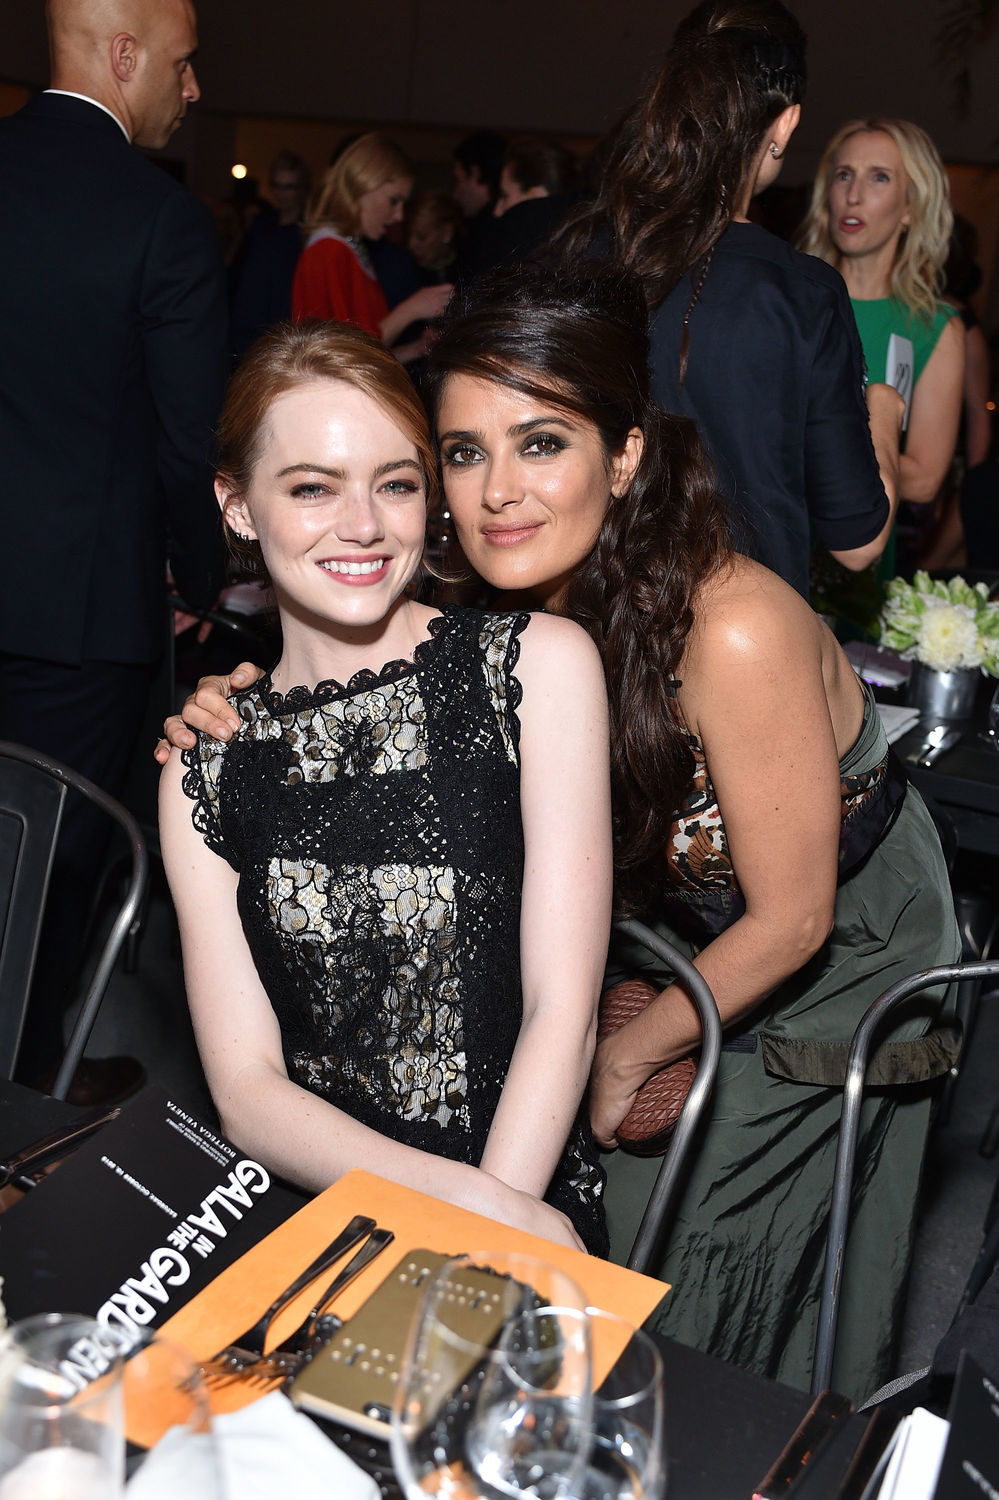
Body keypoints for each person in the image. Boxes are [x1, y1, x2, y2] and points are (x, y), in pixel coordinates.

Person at [165, 264, 961, 1399]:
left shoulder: (728, 627)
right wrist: (234, 712)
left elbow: (796, 917)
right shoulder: (495, 588)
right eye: (462, 452)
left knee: (717, 1238)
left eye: (542, 444)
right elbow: (354, 647)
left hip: (828, 934)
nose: (499, 492)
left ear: (624, 456)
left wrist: (619, 1050)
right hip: (662, 923)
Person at [157, 319, 612, 1253]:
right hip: (321, 1207)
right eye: (312, 488)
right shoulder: (207, 761)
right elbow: (247, 1092)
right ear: (238, 505)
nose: (362, 525)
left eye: (395, 484)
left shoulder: (534, 669)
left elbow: (560, 1011)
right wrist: (475, 1216)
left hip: (520, 1187)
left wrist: (490, 1235)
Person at [0, 0, 227, 1104]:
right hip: (81, 621)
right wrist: (204, 572)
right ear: (126, 56)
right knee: (49, 873)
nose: (192, 91)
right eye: (181, 67)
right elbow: (189, 449)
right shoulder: (160, 220)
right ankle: (28, 1089)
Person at [559, 0, 899, 602]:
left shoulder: (580, 252)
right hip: (747, 649)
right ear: (785, 125)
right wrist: (886, 416)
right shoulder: (802, 291)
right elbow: (858, 544)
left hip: (592, 622)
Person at [291, 133, 451, 362]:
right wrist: (410, 310)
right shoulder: (329, 251)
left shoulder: (348, 248)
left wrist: (415, 349)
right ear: (362, 186)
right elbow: (346, 356)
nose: (398, 216)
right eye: (394, 200)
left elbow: (362, 356)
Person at [229, 151, 311, 361]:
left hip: (281, 324)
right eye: (277, 185)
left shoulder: (307, 233)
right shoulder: (261, 223)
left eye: (289, 187)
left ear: (301, 189)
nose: (281, 193)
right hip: (247, 319)